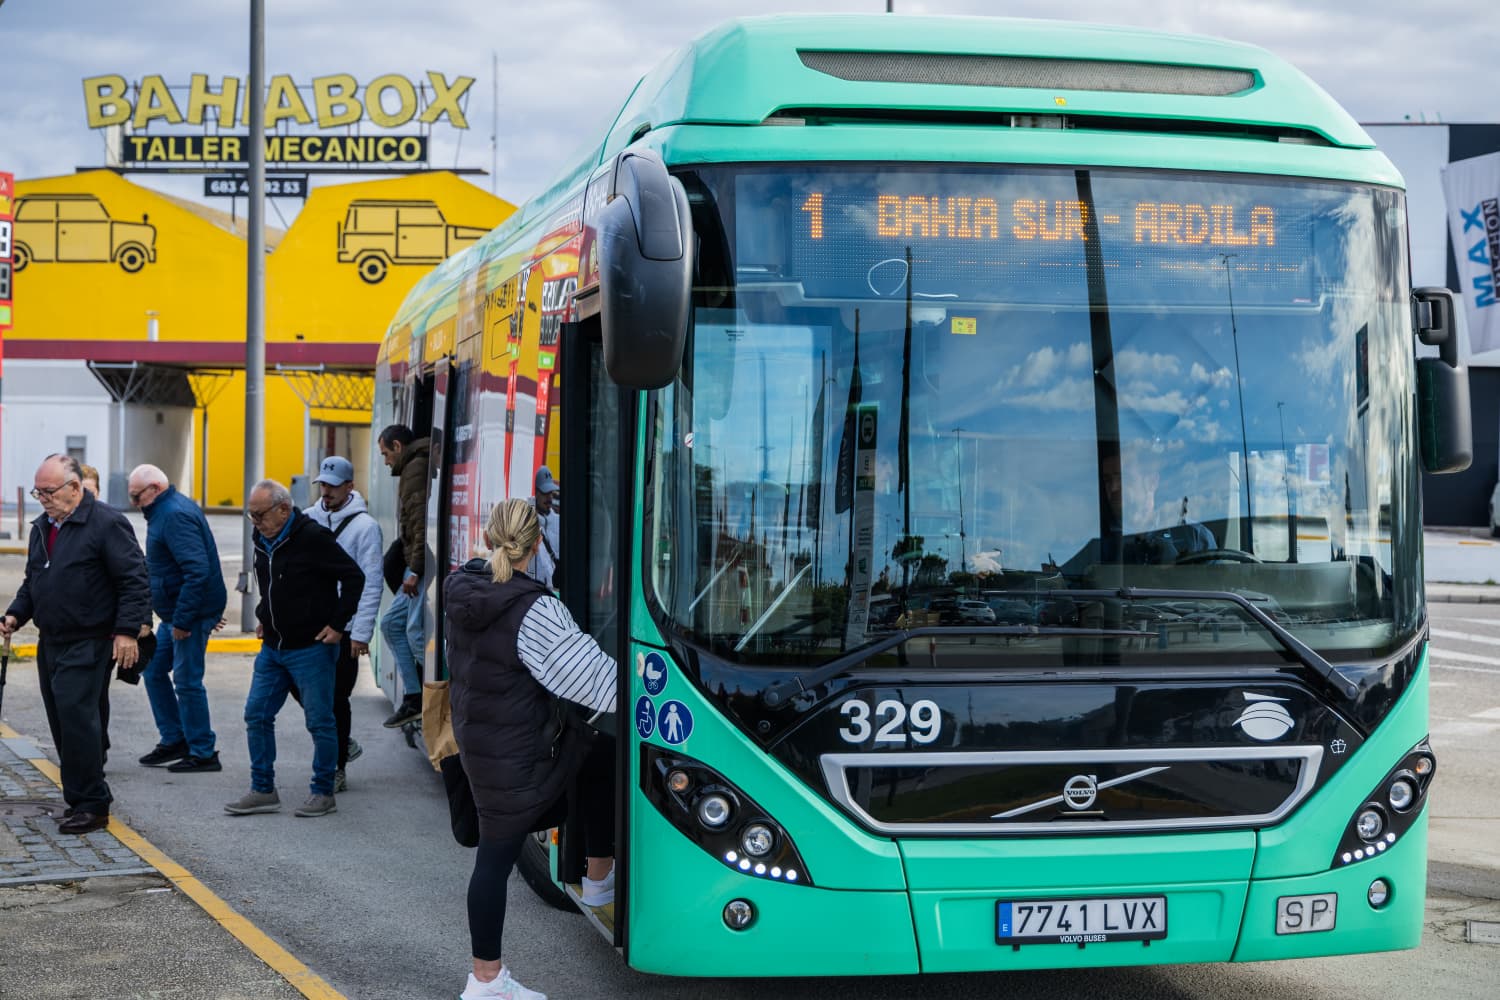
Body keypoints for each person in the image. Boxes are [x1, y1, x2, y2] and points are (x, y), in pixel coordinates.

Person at [446, 498, 616, 1000]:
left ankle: (598, 879)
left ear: (487, 537)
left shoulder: (464, 590)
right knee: (496, 860)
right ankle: (486, 981)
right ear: (538, 543)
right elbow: (600, 686)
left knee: (591, 760)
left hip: (480, 742)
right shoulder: (534, 609)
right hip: (518, 750)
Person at [1, 454, 150, 835]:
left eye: (49, 491)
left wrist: (127, 630)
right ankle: (77, 798)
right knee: (62, 720)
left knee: (77, 719)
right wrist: (15, 614)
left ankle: (93, 804)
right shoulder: (43, 527)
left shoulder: (105, 522)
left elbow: (133, 579)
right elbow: (34, 580)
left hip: (89, 639)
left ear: (75, 487)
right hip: (52, 640)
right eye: (38, 491)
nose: (43, 498)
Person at [225, 479, 363, 819]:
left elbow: (354, 577)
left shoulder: (313, 538)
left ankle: (322, 792)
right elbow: (269, 583)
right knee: (256, 714)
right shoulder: (262, 537)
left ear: (284, 509)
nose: (254, 522)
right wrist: (263, 615)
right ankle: (262, 790)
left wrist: (338, 624)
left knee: (319, 721)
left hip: (310, 649)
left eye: (259, 515)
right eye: (250, 515)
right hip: (273, 647)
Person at [128, 464, 228, 773]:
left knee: (186, 681)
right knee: (154, 671)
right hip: (177, 613)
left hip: (189, 615)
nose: (133, 503)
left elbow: (196, 571)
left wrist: (184, 621)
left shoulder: (172, 515)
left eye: (136, 496)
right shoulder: (163, 511)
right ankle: (175, 739)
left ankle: (203, 751)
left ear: (155, 489)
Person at [302, 455, 383, 792]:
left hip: (347, 627)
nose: (327, 491)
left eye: (333, 486)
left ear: (350, 486)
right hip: (311, 622)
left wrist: (361, 633)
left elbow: (372, 582)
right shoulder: (307, 520)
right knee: (306, 692)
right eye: (323, 484)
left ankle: (336, 766)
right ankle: (343, 742)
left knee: (337, 698)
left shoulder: (366, 527)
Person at [377, 423, 430, 730]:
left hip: (417, 568)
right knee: (391, 625)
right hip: (414, 564)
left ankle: (444, 693)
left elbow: (421, 524)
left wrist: (415, 570)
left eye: (385, 453)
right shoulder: (414, 466)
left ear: (398, 447)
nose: (385, 461)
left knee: (412, 632)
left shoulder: (414, 469)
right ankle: (413, 697)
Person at [530, 466, 561, 591]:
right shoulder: (529, 523)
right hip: (536, 591)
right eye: (545, 493)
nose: (549, 498)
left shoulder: (559, 521)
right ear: (536, 493)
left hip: (555, 592)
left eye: (551, 493)